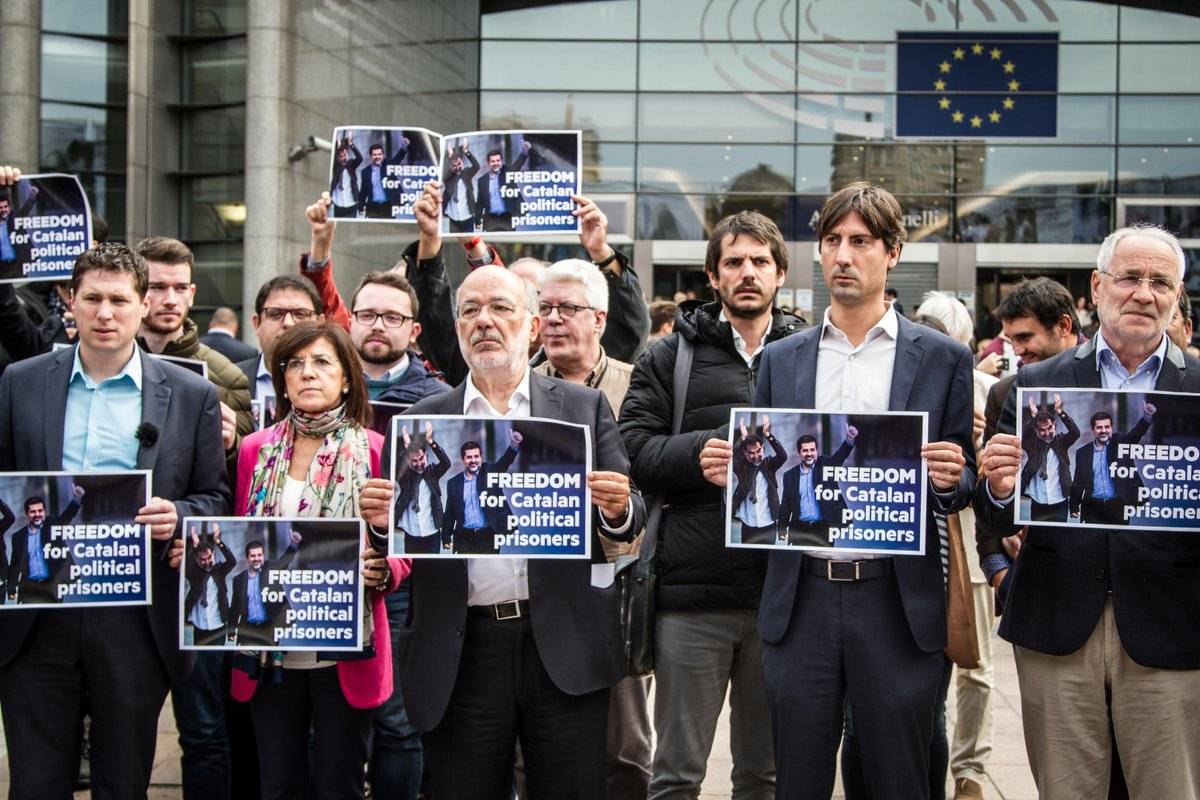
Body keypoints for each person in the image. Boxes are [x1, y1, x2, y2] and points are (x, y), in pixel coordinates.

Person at [700, 183, 973, 800]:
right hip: (802, 603)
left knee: (897, 780)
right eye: (832, 241)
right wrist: (734, 478)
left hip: (896, 605)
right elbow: (761, 473)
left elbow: (967, 480)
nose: (844, 255)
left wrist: (956, 478)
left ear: (894, 252)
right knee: (796, 779)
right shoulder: (781, 360)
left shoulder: (943, 359)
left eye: (861, 242)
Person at [358, 263, 645, 799]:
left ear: (533, 326)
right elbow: (399, 539)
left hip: (561, 643)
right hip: (461, 649)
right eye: (470, 310)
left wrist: (615, 509)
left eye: (501, 308)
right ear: (458, 328)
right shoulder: (422, 421)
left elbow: (630, 515)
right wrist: (378, 526)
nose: (483, 321)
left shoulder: (582, 407)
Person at [976, 223, 1200, 800]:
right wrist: (999, 487)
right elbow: (996, 517)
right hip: (1057, 623)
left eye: (1160, 281)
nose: (1144, 294)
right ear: (1098, 287)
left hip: (1171, 628)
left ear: (1177, 294)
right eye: (1130, 278)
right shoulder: (1037, 385)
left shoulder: (1198, 389)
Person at [0, 241, 230, 799]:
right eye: (93, 299)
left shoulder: (192, 393)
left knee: (123, 781)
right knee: (34, 781)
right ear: (69, 302)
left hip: (135, 613)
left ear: (143, 304)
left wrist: (177, 515)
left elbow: (216, 497)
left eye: (119, 300)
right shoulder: (19, 382)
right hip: (36, 613)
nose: (106, 313)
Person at [620, 210, 803, 800]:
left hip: (784, 598)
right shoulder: (668, 357)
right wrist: (695, 451)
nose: (747, 273)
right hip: (692, 597)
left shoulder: (813, 355)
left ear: (779, 274)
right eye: (733, 263)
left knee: (764, 776)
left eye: (759, 262)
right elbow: (631, 447)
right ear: (713, 276)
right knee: (675, 774)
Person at [230, 320, 409, 800]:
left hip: (344, 654)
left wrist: (383, 568)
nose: (308, 373)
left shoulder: (375, 450)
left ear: (347, 377)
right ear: (282, 379)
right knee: (279, 785)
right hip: (269, 652)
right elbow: (236, 535)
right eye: (295, 363)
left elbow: (404, 544)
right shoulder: (254, 451)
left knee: (340, 784)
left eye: (322, 362)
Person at [531, 257, 650, 797]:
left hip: (621, 587)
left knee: (624, 748)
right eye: (545, 308)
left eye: (568, 308)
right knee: (533, 749)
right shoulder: (516, 391)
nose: (554, 319)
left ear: (599, 319)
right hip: (538, 590)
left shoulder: (639, 385)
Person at [410, 183, 651, 385]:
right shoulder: (486, 367)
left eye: (541, 301)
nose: (550, 316)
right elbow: (435, 326)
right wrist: (430, 238)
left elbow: (631, 327)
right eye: (505, 303)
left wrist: (601, 252)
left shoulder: (605, 367)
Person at [134, 236, 255, 464]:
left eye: (180, 288)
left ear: (192, 294)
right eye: (157, 287)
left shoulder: (228, 377)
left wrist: (231, 446)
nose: (170, 300)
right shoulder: (108, 364)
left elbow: (249, 474)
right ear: (137, 291)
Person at [982, 278, 1082, 445]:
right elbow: (991, 469)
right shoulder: (1002, 394)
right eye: (1010, 339)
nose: (1017, 350)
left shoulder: (1112, 374)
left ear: (1063, 326)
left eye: (1025, 337)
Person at [235, 275, 324, 401]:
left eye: (300, 314)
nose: (288, 323)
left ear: (320, 324)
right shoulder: (228, 381)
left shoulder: (344, 383)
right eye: (275, 314)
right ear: (257, 324)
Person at [1067, 405, 1155, 525]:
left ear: (1111, 428)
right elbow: (1078, 481)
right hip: (1093, 508)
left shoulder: (1121, 442)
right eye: (1099, 427)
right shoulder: (1082, 452)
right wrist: (1074, 506)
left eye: (1107, 426)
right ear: (1092, 430)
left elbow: (1136, 435)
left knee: (1119, 542)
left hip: (1118, 507)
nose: (1104, 430)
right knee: (1095, 543)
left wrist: (1147, 416)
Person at [440, 429, 521, 554]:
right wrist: (445, 537)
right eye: (469, 457)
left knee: (489, 570)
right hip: (464, 538)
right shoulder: (453, 483)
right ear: (463, 460)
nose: (473, 460)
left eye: (476, 456)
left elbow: (504, 463)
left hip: (488, 536)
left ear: (480, 457)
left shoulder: (489, 471)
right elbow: (450, 513)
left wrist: (514, 446)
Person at [778, 428, 857, 548]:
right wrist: (782, 529)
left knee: (823, 563)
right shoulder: (789, 475)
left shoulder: (825, 465)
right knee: (802, 564)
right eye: (805, 450)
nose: (809, 453)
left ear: (817, 451)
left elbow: (839, 456)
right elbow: (786, 504)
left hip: (823, 528)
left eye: (812, 450)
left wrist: (849, 439)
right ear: (799, 452)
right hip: (800, 530)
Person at [4, 487, 84, 604]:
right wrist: (11, 588)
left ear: (44, 512)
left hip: (51, 587)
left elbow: (66, 516)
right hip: (29, 588)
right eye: (33, 512)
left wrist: (77, 498)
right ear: (27, 514)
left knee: (53, 618)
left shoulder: (52, 525)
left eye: (40, 511)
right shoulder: (18, 537)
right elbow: (15, 563)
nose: (37, 514)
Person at [226, 533, 300, 648]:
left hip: (269, 628)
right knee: (246, 663)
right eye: (253, 556)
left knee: (267, 663)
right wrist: (231, 631)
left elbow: (284, 561)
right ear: (247, 558)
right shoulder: (238, 580)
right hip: (248, 630)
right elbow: (235, 607)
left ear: (263, 556)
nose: (256, 559)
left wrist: (294, 544)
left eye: (259, 555)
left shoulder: (271, 569)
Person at [1019, 394, 1080, 523]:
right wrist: (1033, 416)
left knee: (1059, 537)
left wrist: (1060, 412)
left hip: (1059, 500)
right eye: (1042, 430)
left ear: (1054, 425)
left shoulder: (1061, 441)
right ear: (1036, 430)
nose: (1047, 433)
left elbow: (1075, 433)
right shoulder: (1032, 445)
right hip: (1038, 501)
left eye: (1049, 428)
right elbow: (1024, 436)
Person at [394, 422, 450, 554]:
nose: (419, 463)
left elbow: (446, 463)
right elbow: (396, 465)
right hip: (411, 533)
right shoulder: (405, 476)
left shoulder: (432, 472)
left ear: (426, 456)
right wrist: (406, 447)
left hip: (432, 532)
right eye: (414, 461)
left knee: (432, 567)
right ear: (408, 461)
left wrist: (431, 442)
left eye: (421, 459)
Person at [730, 418, 787, 544]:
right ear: (745, 453)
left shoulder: (769, 464)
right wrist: (743, 438)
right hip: (748, 522)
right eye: (751, 453)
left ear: (763, 448)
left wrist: (768, 435)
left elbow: (783, 456)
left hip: (769, 521)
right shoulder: (741, 467)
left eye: (758, 451)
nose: (756, 456)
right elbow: (733, 458)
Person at [183, 524, 237, 646]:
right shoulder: (195, 574)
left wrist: (219, 542)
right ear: (198, 559)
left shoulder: (220, 570)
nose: (207, 561)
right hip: (199, 625)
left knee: (217, 660)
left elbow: (232, 561)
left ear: (213, 554)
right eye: (203, 559)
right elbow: (186, 566)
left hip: (218, 624)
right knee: (201, 661)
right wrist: (195, 546)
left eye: (209, 557)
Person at [474, 142, 532, 232]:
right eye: (493, 161)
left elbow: (518, 165)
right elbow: (480, 202)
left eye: (498, 160)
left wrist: (524, 150)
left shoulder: (507, 172)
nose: (496, 163)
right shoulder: (482, 180)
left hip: (507, 217)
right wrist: (477, 220)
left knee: (508, 243)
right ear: (488, 163)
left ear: (501, 161)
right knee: (490, 243)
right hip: (491, 218)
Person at [358, 139, 409, 218]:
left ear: (382, 155)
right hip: (373, 207)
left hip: (388, 206)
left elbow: (397, 159)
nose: (377, 157)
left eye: (379, 154)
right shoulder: (365, 172)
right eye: (374, 155)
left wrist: (404, 147)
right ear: (370, 156)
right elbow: (363, 192)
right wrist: (360, 208)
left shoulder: (388, 165)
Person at [442, 140, 479, 233]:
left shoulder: (466, 173)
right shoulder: (449, 178)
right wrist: (449, 157)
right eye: (454, 165)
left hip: (467, 216)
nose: (457, 167)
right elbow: (444, 174)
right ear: (451, 166)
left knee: (469, 243)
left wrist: (466, 152)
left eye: (459, 164)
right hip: (454, 218)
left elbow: (476, 166)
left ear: (462, 163)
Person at [329, 136, 363, 218]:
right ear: (337, 158)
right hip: (339, 204)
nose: (343, 158)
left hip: (351, 203)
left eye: (345, 155)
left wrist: (351, 145)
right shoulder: (336, 167)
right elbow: (333, 157)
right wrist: (337, 145)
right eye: (340, 156)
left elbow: (360, 158)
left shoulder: (351, 164)